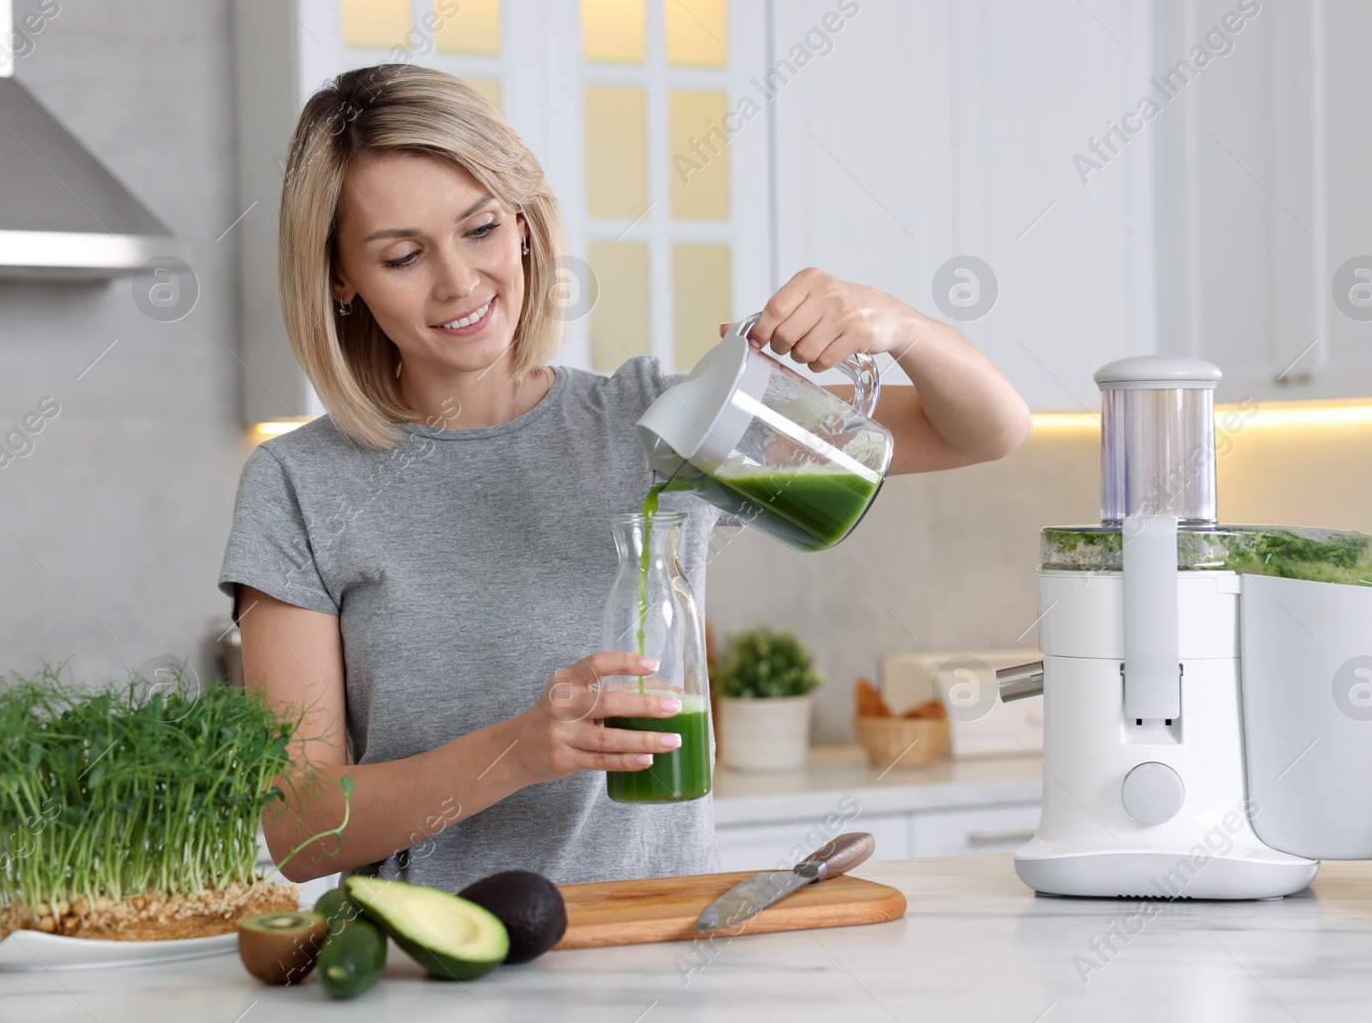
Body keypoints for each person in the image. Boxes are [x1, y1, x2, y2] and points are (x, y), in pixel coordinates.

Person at [218, 64, 1030, 893]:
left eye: (481, 228)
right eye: (402, 255)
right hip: (434, 970)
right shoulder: (299, 483)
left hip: (663, 948)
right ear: (342, 280)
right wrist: (521, 749)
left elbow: (986, 430)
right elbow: (302, 825)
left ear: (526, 226)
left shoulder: (658, 424)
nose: (460, 281)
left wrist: (899, 325)